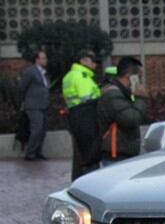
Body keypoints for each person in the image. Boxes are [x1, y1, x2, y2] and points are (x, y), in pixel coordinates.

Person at [97, 57, 149, 166]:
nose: (139, 81)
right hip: (116, 155)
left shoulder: (124, 93)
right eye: (139, 77)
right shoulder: (113, 95)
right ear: (130, 76)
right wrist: (140, 98)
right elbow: (131, 119)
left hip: (123, 152)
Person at [62, 50, 102, 180]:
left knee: (79, 156)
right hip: (86, 116)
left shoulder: (69, 76)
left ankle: (78, 180)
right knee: (90, 155)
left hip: (74, 116)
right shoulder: (82, 76)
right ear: (83, 61)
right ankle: (89, 182)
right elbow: (88, 99)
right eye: (93, 61)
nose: (95, 65)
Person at [19, 50, 50, 161]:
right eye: (43, 58)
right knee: (37, 129)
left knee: (42, 130)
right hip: (33, 105)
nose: (45, 60)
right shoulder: (30, 72)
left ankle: (38, 152)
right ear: (37, 59)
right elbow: (22, 87)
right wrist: (23, 101)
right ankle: (30, 153)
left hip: (43, 105)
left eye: (45, 58)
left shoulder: (44, 73)